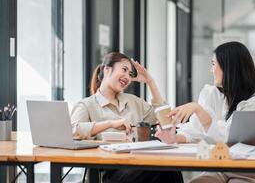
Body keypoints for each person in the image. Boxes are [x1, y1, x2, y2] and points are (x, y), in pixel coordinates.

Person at [155, 41, 255, 183]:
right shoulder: (211, 93)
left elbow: (231, 138)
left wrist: (199, 110)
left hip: (250, 171)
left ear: (229, 68)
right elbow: (197, 131)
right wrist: (174, 138)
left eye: (213, 64)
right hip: (219, 168)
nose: (211, 70)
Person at [71, 52, 183, 183]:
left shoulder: (134, 102)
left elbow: (166, 121)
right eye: (124, 70)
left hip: (139, 163)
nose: (128, 78)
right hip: (111, 171)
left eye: (130, 74)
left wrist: (150, 81)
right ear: (107, 69)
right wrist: (111, 124)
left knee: (171, 169)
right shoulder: (87, 105)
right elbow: (72, 129)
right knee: (160, 169)